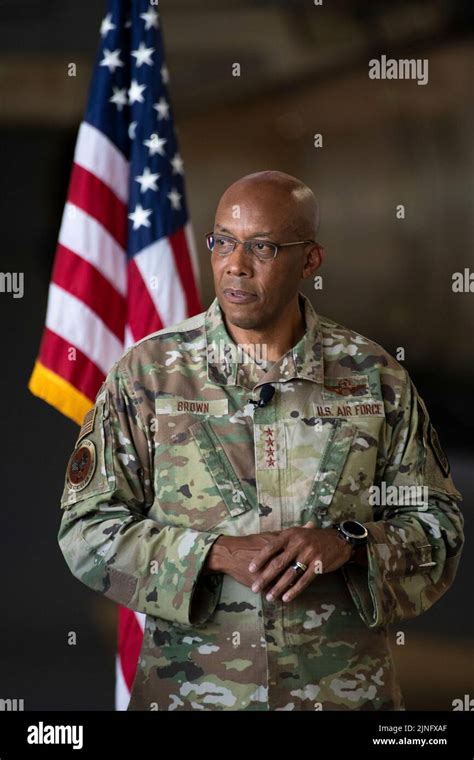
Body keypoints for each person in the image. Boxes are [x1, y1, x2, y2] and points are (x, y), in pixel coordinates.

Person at [58, 170, 464, 711]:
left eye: (263, 247)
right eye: (222, 241)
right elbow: (87, 530)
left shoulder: (374, 377)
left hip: (342, 698)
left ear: (310, 261)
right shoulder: (149, 376)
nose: (236, 264)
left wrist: (349, 542)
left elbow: (438, 524)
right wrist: (215, 554)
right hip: (191, 697)